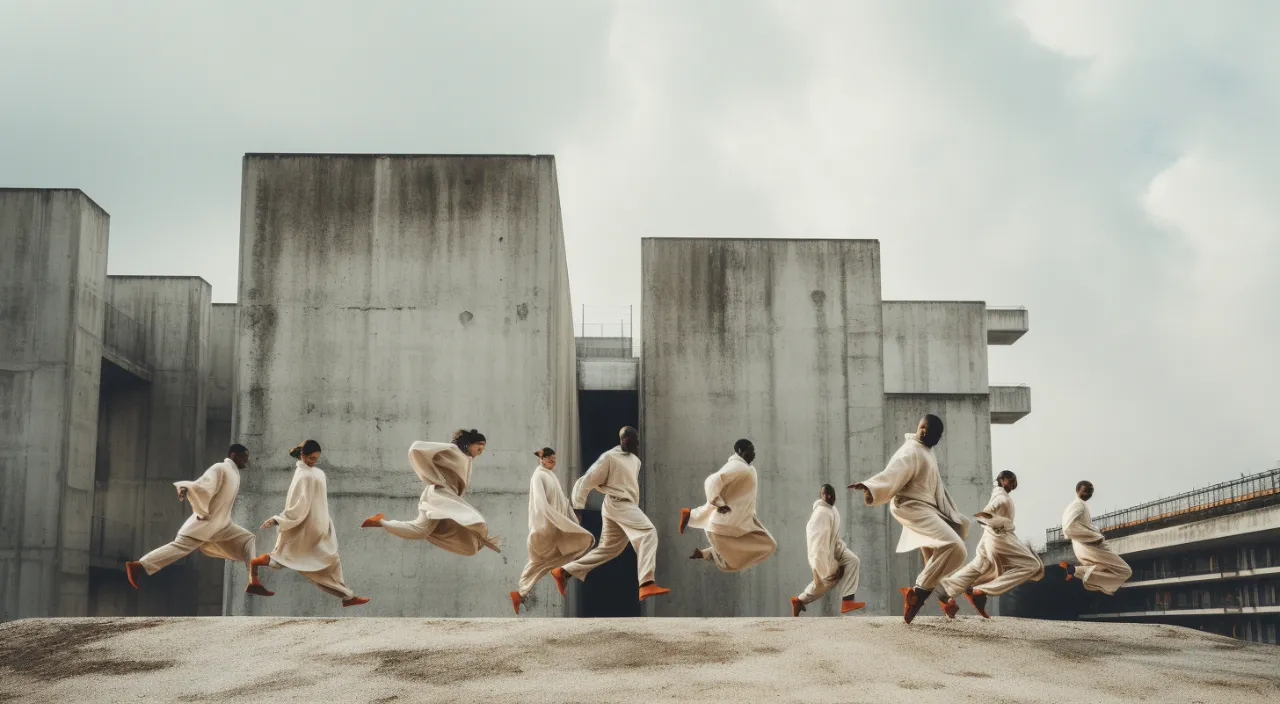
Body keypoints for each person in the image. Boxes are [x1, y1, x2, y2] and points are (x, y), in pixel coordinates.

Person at [849, 414, 968, 624]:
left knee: (934, 557)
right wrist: (871, 487)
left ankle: (942, 598)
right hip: (911, 505)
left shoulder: (928, 453)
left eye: (928, 430)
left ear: (937, 437)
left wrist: (949, 513)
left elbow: (936, 486)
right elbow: (893, 471)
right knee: (956, 548)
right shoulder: (911, 450)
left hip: (927, 508)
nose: (923, 431)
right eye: (921, 427)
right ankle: (917, 591)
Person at [125, 444, 271, 597]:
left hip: (221, 525)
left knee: (248, 539)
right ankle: (138, 566)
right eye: (243, 458)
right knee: (178, 548)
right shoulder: (220, 468)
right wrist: (187, 488)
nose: (245, 462)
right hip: (204, 523)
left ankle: (253, 581)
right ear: (234, 455)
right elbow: (204, 485)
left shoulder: (233, 473)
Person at [551, 427, 672, 602]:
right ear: (621, 440)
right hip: (618, 503)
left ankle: (564, 571)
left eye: (633, 441)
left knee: (608, 549)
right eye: (626, 439)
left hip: (622, 506)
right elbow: (586, 481)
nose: (630, 443)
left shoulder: (635, 461)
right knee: (648, 533)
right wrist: (578, 509)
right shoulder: (610, 457)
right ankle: (646, 583)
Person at [251, 440, 369, 608]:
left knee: (330, 559)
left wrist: (325, 522)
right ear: (303, 455)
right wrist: (279, 519)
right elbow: (298, 503)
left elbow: (318, 501)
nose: (314, 462)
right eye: (311, 458)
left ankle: (347, 596)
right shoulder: (304, 475)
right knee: (315, 564)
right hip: (306, 527)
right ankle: (347, 596)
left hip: (321, 524)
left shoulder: (317, 473)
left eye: (316, 459)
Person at [361, 429, 502, 555]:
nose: (480, 451)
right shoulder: (452, 449)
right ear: (470, 443)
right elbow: (416, 448)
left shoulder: (467, 460)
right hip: (438, 495)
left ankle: (380, 521)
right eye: (479, 447)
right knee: (475, 521)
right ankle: (480, 534)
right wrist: (431, 477)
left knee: (420, 530)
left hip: (443, 498)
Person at [937, 470, 1044, 617]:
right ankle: (982, 590)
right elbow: (983, 515)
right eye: (1011, 480)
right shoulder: (1001, 498)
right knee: (1033, 565)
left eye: (1015, 480)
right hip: (1000, 537)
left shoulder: (1000, 495)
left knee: (979, 565)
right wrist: (1005, 524)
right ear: (1002, 479)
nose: (1014, 483)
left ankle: (947, 589)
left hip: (988, 537)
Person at [510, 447, 594, 614]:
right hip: (546, 524)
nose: (553, 462)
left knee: (551, 558)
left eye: (554, 460)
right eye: (550, 459)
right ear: (542, 459)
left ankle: (521, 592)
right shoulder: (538, 476)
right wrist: (556, 519)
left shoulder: (551, 476)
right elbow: (540, 503)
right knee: (540, 561)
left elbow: (562, 500)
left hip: (556, 524)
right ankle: (555, 576)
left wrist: (570, 519)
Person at [677, 439, 777, 573]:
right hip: (725, 527)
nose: (754, 453)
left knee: (766, 546)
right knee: (739, 560)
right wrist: (719, 503)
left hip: (739, 523)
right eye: (751, 450)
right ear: (740, 451)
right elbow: (712, 481)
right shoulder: (738, 466)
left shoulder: (745, 468)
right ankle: (708, 551)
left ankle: (693, 520)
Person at [789, 484, 864, 616]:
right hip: (825, 554)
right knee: (826, 581)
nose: (830, 497)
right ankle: (799, 600)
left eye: (831, 494)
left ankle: (848, 600)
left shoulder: (831, 509)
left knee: (853, 560)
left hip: (835, 547)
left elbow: (832, 536)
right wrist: (829, 566)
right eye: (826, 494)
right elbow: (818, 544)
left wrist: (840, 549)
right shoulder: (821, 513)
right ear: (821, 496)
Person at [1059, 480, 1132, 594]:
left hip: (1082, 546)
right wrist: (1094, 536)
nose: (1088, 494)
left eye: (1091, 492)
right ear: (1078, 490)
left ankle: (1075, 570)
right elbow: (1069, 527)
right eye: (1086, 491)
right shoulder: (1079, 505)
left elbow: (1070, 527)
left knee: (1104, 567)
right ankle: (1085, 576)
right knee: (1125, 571)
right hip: (1090, 546)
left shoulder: (1076, 506)